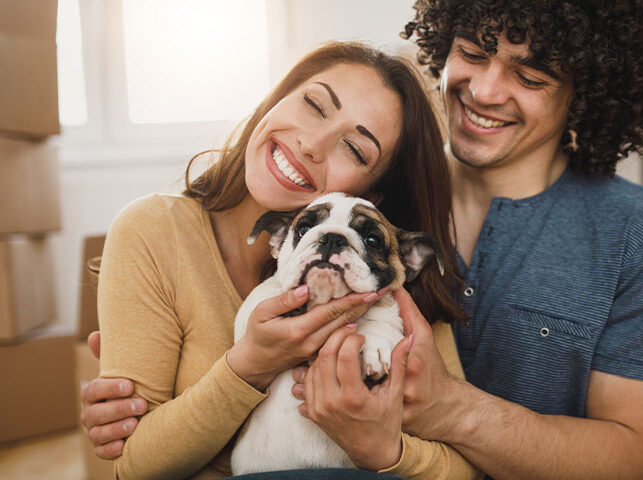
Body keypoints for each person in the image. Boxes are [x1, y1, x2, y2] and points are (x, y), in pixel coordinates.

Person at [84, 0, 643, 478]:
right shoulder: (375, 211)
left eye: (531, 76)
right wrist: (158, 393)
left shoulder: (642, 238)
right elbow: (142, 450)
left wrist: (448, 411)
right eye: (472, 53)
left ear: (589, 89)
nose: (485, 91)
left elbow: (633, 459)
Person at [86, 41, 480, 480]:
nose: (311, 144)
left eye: (354, 150)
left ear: (371, 196)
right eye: (314, 105)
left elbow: (462, 466)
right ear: (276, 97)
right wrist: (251, 366)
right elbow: (135, 467)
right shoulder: (153, 230)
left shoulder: (393, 281)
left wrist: (384, 449)